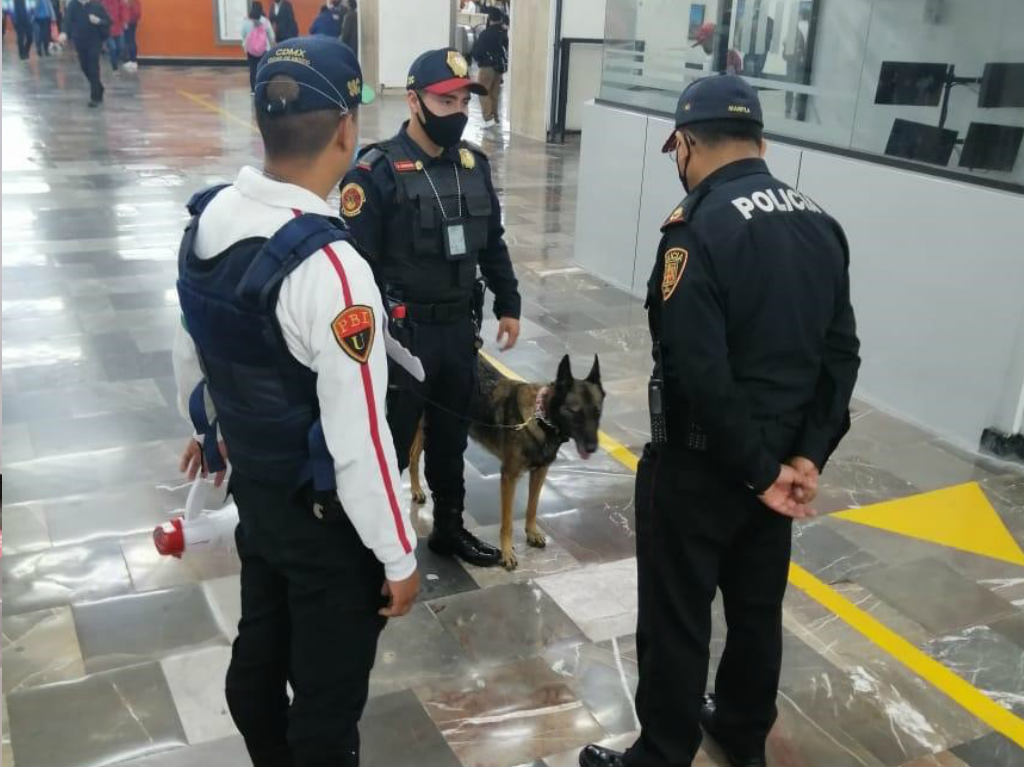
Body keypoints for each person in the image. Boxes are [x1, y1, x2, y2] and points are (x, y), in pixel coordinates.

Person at [579, 75, 859, 767]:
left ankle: (663, 753)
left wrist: (758, 470)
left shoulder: (695, 229)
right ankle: (739, 730)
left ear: (685, 145)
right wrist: (805, 459)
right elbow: (841, 355)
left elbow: (697, 371)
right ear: (761, 142)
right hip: (783, 466)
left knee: (677, 617)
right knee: (756, 613)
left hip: (704, 469)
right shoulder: (819, 223)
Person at [173, 36, 422, 767]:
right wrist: (398, 554)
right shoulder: (331, 268)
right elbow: (362, 441)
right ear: (347, 129)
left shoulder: (207, 219)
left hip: (262, 503)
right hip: (327, 533)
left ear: (261, 124)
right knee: (325, 709)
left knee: (257, 669)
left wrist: (214, 427)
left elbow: (213, 347)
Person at [339, 48, 521, 568]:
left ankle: (448, 530)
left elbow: (493, 244)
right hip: (402, 337)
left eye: (465, 99)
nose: (459, 110)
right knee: (391, 444)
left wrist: (509, 302)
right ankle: (374, 545)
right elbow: (356, 267)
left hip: (458, 333)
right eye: (446, 100)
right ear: (414, 100)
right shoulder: (375, 172)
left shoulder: (473, 166)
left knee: (449, 441)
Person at [60, 0, 110, 106]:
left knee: (93, 67)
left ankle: (95, 97)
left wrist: (98, 21)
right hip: (79, 41)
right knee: (84, 67)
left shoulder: (96, 5)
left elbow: (108, 21)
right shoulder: (73, 5)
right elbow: (67, 20)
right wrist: (64, 32)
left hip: (94, 41)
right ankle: (98, 86)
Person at [470, 7, 507, 126]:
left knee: (483, 91)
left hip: (486, 67)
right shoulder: (503, 33)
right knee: (494, 93)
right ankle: (495, 118)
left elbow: (477, 51)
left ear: (490, 19)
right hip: (499, 67)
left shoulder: (486, 33)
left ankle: (488, 118)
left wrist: (478, 59)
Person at [241, 1, 274, 94]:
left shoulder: (246, 21)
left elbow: (242, 34)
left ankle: (253, 89)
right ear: (261, 9)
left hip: (250, 49)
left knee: (252, 69)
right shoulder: (265, 21)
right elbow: (271, 35)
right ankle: (262, 87)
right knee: (262, 68)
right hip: (264, 49)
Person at [100, 0, 124, 70]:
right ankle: (114, 66)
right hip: (108, 30)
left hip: (118, 28)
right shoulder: (103, 3)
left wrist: (124, 21)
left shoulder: (119, 2)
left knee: (120, 48)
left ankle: (113, 59)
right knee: (113, 48)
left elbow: (122, 11)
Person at [122, 0, 140, 71]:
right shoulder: (136, 2)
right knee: (132, 39)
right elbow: (138, 13)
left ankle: (129, 60)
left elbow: (126, 12)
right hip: (133, 22)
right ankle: (133, 60)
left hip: (128, 22)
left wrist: (125, 21)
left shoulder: (128, 2)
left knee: (128, 40)